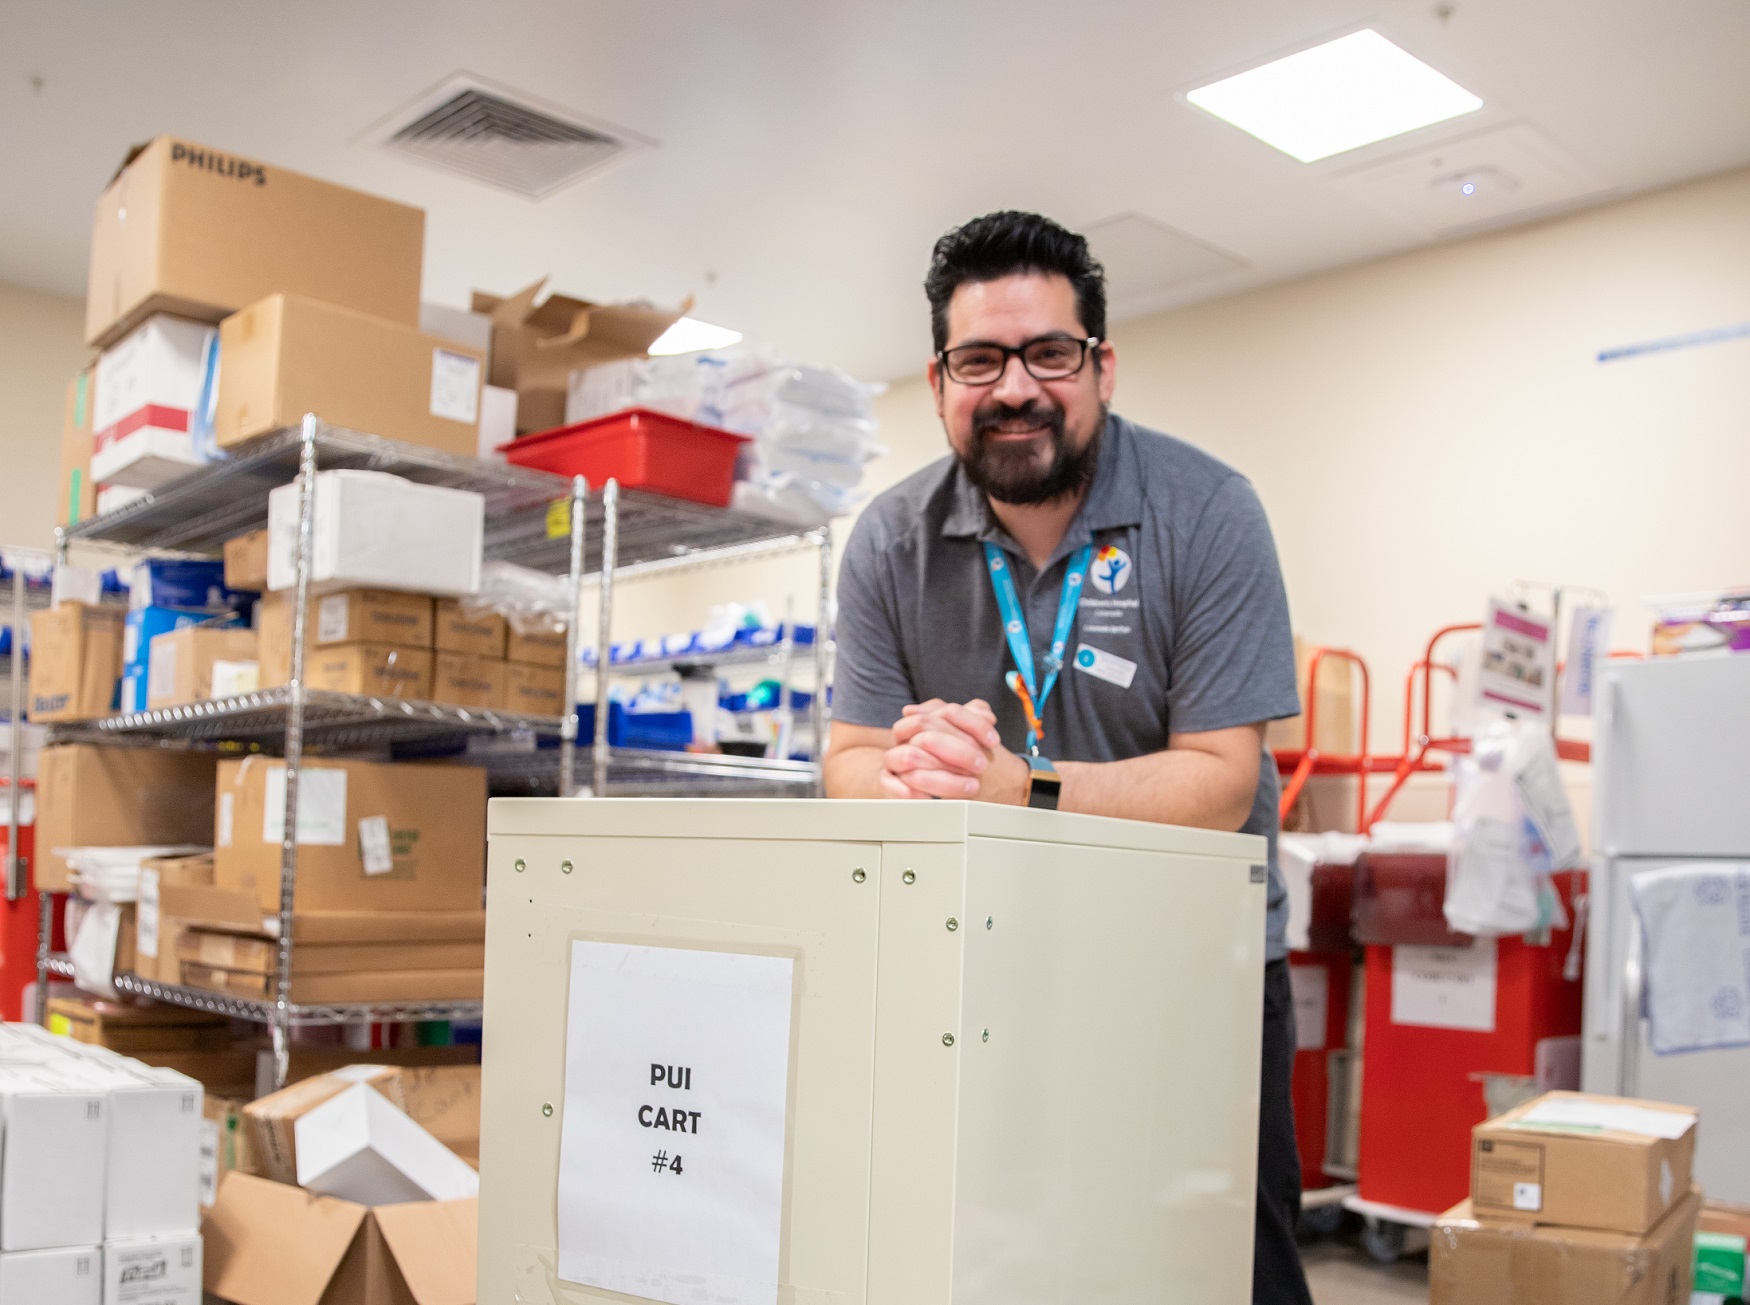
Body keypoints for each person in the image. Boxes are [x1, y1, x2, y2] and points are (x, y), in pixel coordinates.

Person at [822, 210, 1313, 1305]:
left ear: (1099, 365)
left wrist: (1017, 789)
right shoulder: (889, 539)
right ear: (940, 377)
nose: (1014, 389)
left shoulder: (1209, 512)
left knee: (1226, 1269)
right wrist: (917, 771)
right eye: (979, 360)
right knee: (1008, 1259)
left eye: (1049, 353)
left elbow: (1222, 785)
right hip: (985, 968)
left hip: (1194, 974)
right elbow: (848, 759)